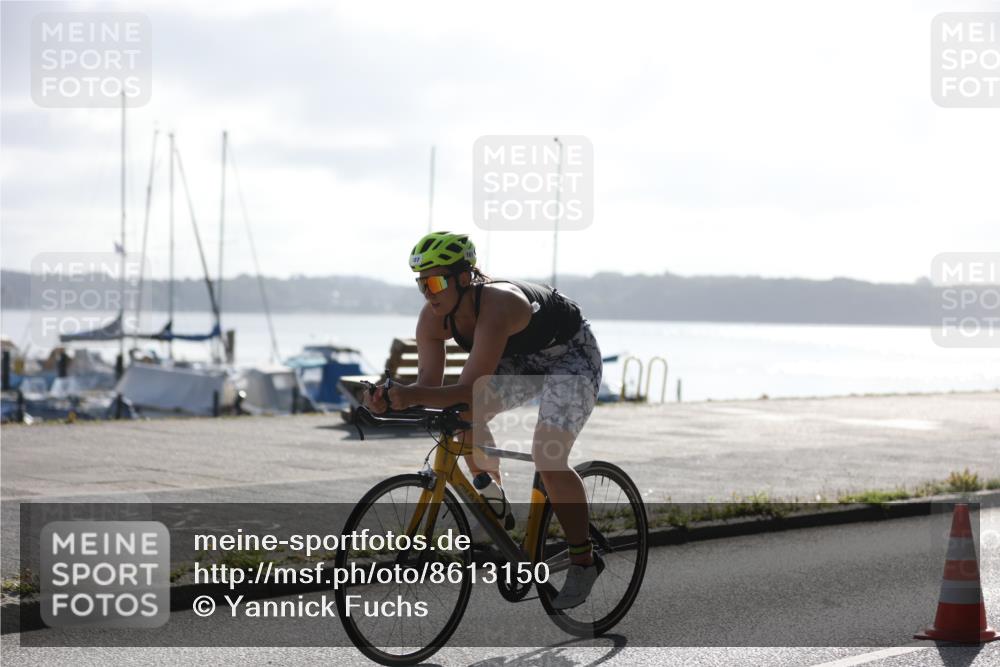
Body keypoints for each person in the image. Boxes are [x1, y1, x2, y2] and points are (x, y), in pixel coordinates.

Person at [363, 231, 605, 610]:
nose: (428, 291)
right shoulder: (433, 319)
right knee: (459, 415)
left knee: (548, 456)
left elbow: (467, 386)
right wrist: (389, 399)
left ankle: (583, 560)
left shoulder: (498, 304)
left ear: (464, 277)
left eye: (435, 281)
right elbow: (429, 387)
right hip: (522, 360)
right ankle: (492, 495)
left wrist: (409, 395)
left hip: (571, 357)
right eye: (420, 283)